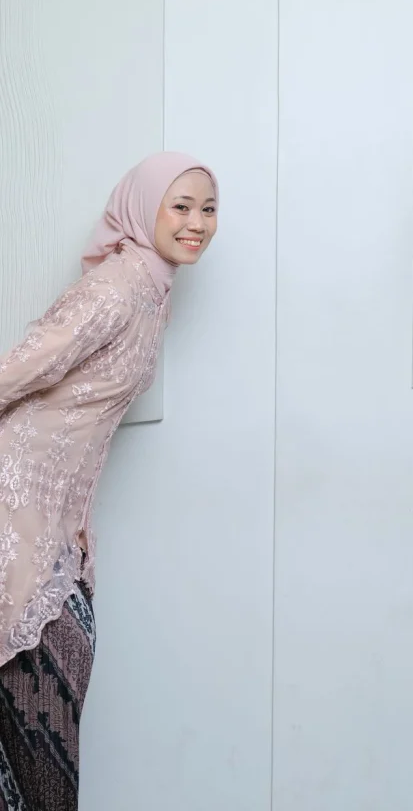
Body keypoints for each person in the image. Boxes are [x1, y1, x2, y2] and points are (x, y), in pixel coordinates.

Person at [0, 152, 218, 811]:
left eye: (209, 209)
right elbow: (22, 369)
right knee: (41, 725)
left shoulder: (153, 291)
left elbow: (85, 424)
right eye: (181, 206)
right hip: (16, 504)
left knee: (44, 725)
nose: (198, 223)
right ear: (144, 208)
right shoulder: (117, 287)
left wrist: (76, 524)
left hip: (56, 521)